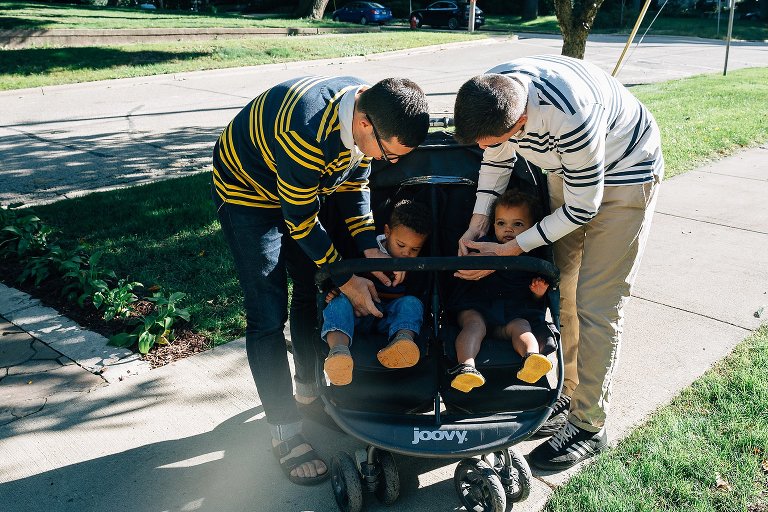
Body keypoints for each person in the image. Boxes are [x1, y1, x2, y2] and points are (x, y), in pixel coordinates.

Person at [212, 76, 429, 485]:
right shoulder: (306, 130)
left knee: (311, 292)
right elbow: (299, 220)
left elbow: (352, 188)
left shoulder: (371, 108)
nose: (390, 162)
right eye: (390, 153)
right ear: (365, 125)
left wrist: (370, 250)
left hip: (300, 190)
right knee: (266, 312)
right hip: (247, 195)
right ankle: (284, 430)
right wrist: (346, 280)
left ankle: (308, 394)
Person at [453, 54, 664, 470]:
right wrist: (478, 223)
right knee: (561, 289)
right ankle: (567, 392)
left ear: (521, 121)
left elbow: (585, 207)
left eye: (492, 138)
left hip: (626, 174)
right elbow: (498, 157)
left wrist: (514, 248)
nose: (483, 147)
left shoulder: (571, 115)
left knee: (596, 304)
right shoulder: (495, 91)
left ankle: (590, 423)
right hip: (566, 171)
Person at [448, 189, 553, 393]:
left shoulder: (533, 254)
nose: (508, 230)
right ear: (493, 223)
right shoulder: (485, 244)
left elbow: (532, 299)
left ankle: (532, 359)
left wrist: (538, 293)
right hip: (476, 305)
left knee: (522, 326)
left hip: (511, 314)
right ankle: (466, 367)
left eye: (518, 224)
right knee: (474, 325)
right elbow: (463, 264)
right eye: (501, 223)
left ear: (532, 228)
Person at [322, 199, 432, 386]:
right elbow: (344, 277)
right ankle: (339, 353)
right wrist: (334, 291)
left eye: (415, 250)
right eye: (401, 245)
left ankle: (403, 342)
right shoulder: (364, 249)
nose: (406, 253)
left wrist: (412, 270)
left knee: (412, 303)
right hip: (356, 314)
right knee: (338, 303)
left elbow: (418, 296)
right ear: (387, 232)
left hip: (390, 319)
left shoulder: (416, 264)